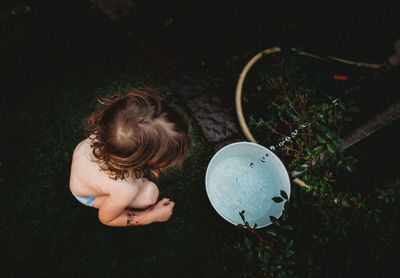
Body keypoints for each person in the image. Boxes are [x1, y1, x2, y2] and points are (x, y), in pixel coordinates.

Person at [69, 87, 190, 227]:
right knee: (149, 194)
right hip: (88, 195)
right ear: (140, 160)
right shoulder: (125, 189)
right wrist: (150, 217)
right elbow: (106, 218)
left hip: (83, 176)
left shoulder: (105, 133)